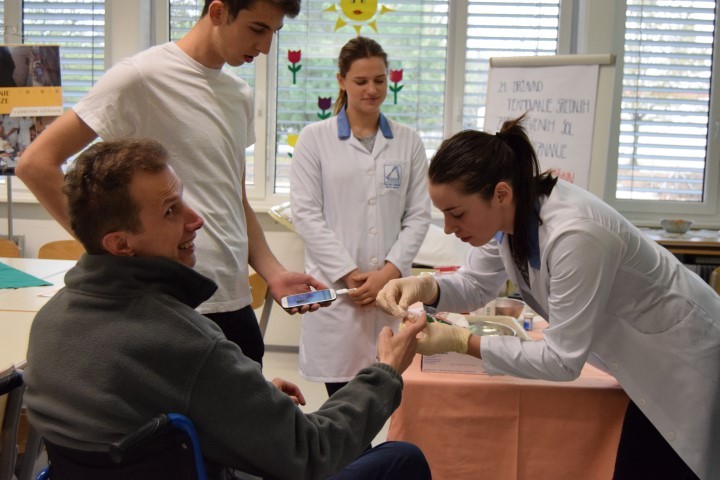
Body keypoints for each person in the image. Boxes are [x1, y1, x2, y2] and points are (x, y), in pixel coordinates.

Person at [23, 138, 431, 480]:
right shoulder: (186, 343)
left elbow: (131, 412)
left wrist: (240, 400)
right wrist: (385, 371)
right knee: (401, 458)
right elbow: (313, 452)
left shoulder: (49, 321)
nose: (195, 219)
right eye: (170, 210)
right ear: (120, 243)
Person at [376, 114, 720, 480]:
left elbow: (562, 360)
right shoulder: (510, 218)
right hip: (646, 368)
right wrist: (426, 286)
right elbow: (475, 284)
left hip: (688, 365)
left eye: (456, 213)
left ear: (501, 193)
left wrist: (462, 341)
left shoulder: (576, 234)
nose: (448, 228)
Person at [16, 0, 315, 367]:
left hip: (233, 304)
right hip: (165, 307)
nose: (265, 47)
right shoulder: (140, 78)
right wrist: (110, 256)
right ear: (218, 12)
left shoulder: (239, 95)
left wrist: (275, 273)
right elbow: (36, 164)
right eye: (257, 29)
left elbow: (234, 200)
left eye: (273, 33)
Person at [290, 36, 431, 396]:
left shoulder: (408, 141)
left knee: (388, 391)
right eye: (361, 81)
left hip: (390, 291)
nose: (372, 90)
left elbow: (418, 215)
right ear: (341, 81)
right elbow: (305, 214)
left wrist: (388, 272)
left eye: (380, 80)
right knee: (343, 403)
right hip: (339, 292)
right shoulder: (314, 139)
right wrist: (349, 274)